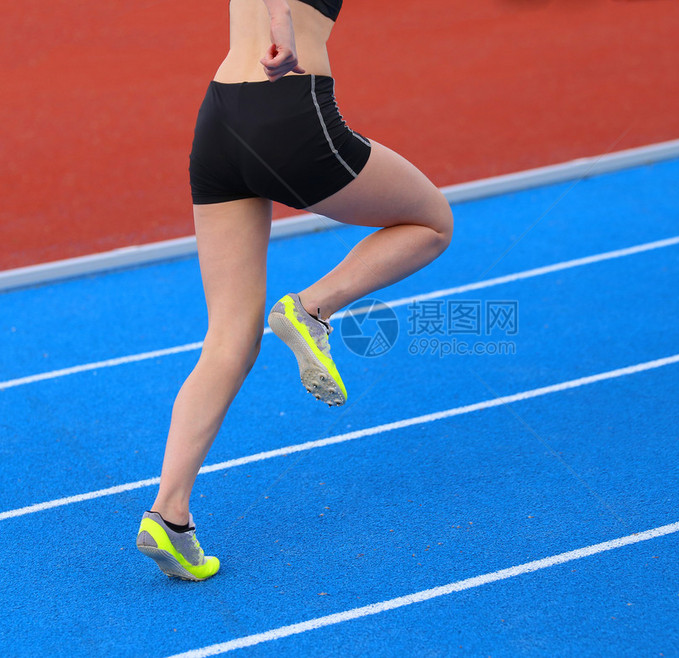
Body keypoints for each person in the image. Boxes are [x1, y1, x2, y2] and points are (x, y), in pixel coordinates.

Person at [135, 0, 453, 581]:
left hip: (220, 117)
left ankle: (169, 515)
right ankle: (310, 309)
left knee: (228, 338)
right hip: (287, 99)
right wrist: (282, 27)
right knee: (432, 224)